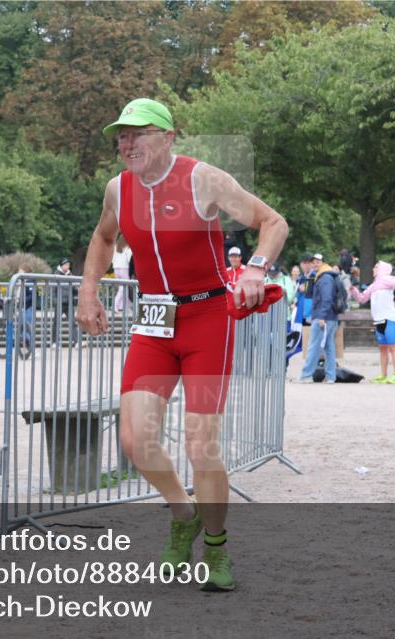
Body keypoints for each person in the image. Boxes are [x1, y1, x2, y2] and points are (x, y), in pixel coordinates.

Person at [76, 98, 288, 592]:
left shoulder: (202, 179)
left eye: (138, 133)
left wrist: (255, 269)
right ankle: (183, 513)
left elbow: (272, 222)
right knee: (135, 439)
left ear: (168, 137)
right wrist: (89, 291)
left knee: (201, 443)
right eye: (121, 136)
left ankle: (215, 547)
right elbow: (103, 239)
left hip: (207, 316)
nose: (127, 144)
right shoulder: (117, 189)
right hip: (155, 318)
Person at [349, 261, 395, 384]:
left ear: (382, 269)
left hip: (390, 319)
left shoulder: (387, 279)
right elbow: (362, 298)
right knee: (382, 349)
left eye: (376, 266)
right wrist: (353, 290)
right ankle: (383, 375)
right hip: (378, 321)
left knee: (393, 347)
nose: (373, 268)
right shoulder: (374, 285)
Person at [297, 261, 340, 383]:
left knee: (314, 346)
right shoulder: (328, 276)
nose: (314, 266)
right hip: (331, 317)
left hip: (323, 317)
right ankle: (331, 376)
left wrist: (322, 316)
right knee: (329, 347)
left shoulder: (324, 278)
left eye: (317, 264)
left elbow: (326, 298)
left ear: (323, 265)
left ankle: (306, 375)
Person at [52, 258, 78, 347]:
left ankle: (76, 341)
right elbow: (53, 289)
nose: (67, 266)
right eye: (66, 264)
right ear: (61, 265)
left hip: (69, 302)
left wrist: (77, 290)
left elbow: (74, 289)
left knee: (72, 322)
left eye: (68, 265)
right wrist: (55, 300)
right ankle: (54, 342)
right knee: (56, 322)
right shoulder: (56, 274)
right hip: (60, 302)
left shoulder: (70, 274)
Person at [112, 236, 133, 313]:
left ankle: (122, 306)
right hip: (124, 268)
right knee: (123, 287)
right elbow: (129, 259)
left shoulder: (115, 247)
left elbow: (112, 259)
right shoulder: (127, 249)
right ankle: (115, 304)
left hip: (116, 268)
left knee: (122, 287)